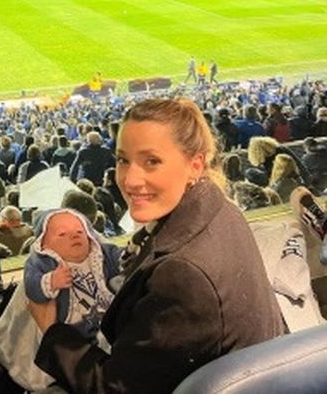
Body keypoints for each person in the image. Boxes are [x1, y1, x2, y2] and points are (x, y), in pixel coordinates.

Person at [32, 98, 285, 393]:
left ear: (195, 165)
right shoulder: (218, 206)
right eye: (123, 160)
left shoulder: (181, 276)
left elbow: (114, 388)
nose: (130, 179)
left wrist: (51, 331)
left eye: (151, 161)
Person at [24, 210, 119, 340]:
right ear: (43, 245)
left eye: (80, 231)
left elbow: (125, 259)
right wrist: (52, 281)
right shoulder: (43, 264)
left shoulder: (103, 254)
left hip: (112, 315)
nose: (74, 236)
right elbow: (31, 287)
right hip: (74, 327)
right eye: (62, 234)